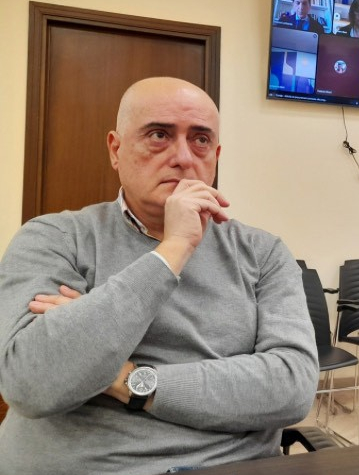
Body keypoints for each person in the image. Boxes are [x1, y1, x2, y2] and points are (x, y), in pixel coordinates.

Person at [0, 77, 319, 475]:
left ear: (215, 156)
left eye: (200, 140)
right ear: (115, 150)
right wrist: (173, 249)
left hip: (229, 465)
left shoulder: (262, 252)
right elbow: (31, 382)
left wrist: (122, 376)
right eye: (158, 135)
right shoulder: (54, 237)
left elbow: (291, 386)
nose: (183, 157)